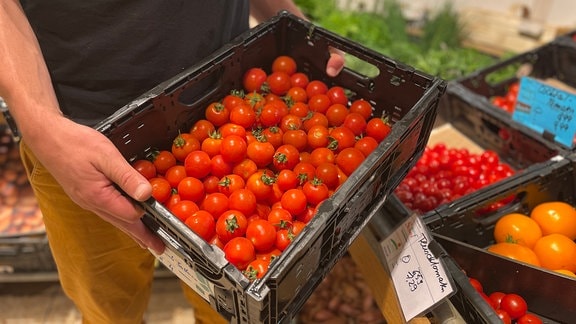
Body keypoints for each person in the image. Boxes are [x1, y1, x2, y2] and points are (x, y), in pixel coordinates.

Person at [0, 1, 344, 323]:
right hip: (79, 135)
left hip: (229, 95)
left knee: (225, 306)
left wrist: (288, 16)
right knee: (107, 302)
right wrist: (38, 119)